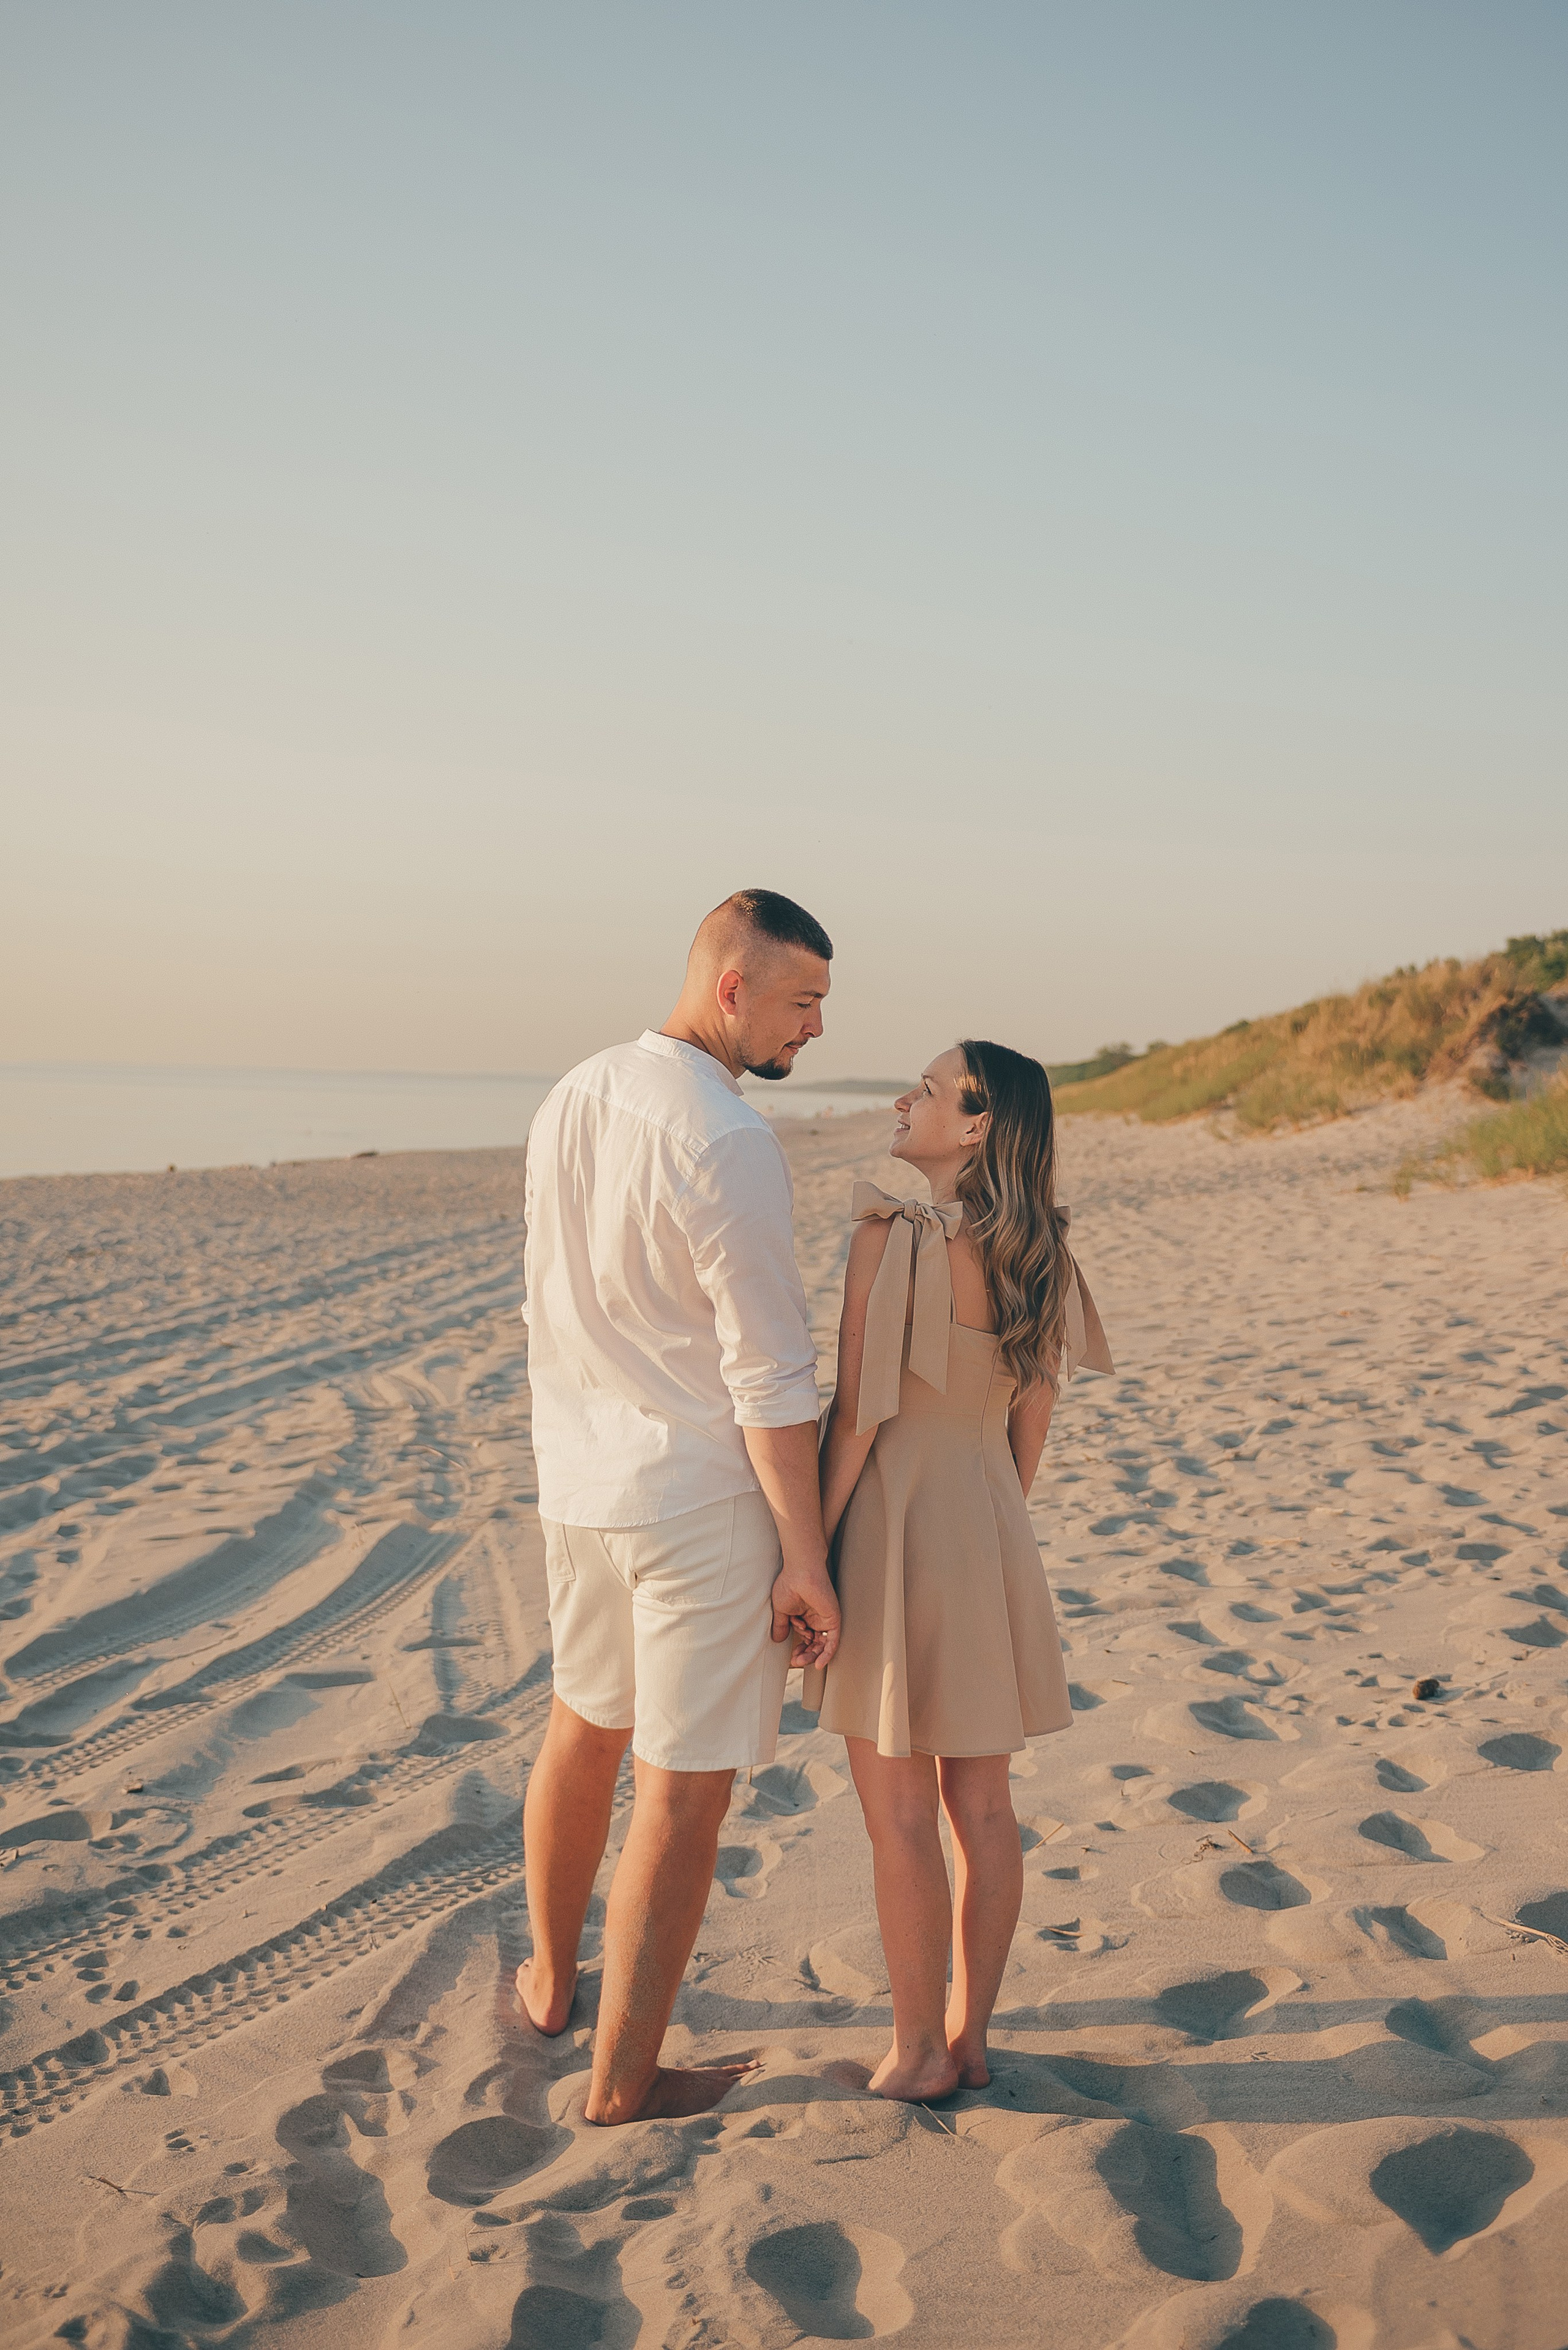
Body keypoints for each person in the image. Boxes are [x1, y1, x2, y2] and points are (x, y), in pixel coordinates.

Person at [519, 888, 842, 2124]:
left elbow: (555, 1300)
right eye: (800, 1000)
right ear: (731, 986)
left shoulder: (571, 1092)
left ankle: (551, 1984)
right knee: (680, 1788)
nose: (811, 1029)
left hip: (580, 1484)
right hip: (694, 1499)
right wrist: (803, 1554)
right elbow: (768, 1368)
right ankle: (621, 2079)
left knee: (580, 1729)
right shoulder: (725, 1134)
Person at [803, 1039, 1113, 2101]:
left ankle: (914, 2049)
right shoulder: (1042, 1251)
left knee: (899, 1813)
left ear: (977, 1126)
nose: (904, 1099)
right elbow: (1033, 1425)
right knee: (983, 1807)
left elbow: (856, 1419)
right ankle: (968, 2037)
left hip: (890, 1528)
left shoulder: (890, 1238)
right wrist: (988, 1528)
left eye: (927, 1090)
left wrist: (814, 1554)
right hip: (990, 1530)